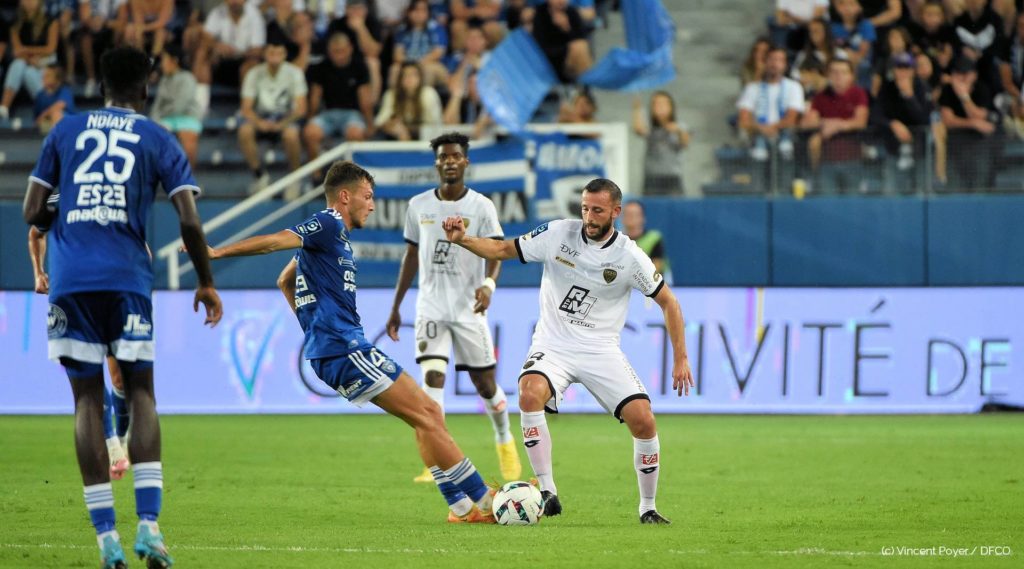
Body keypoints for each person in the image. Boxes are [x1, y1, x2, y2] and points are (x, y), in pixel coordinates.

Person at [197, 160, 501, 524]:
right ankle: (485, 501)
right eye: (367, 197)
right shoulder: (327, 222)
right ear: (345, 197)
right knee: (427, 413)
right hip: (344, 347)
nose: (371, 205)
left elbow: (284, 280)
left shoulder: (329, 241)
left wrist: (313, 330)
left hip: (334, 348)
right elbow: (277, 242)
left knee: (426, 416)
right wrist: (217, 254)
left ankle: (460, 506)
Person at [22, 46, 222, 568]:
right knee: (141, 390)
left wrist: (75, 207)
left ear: (100, 83)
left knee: (87, 401)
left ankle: (105, 538)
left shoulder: (64, 131)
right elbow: (189, 220)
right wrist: (205, 280)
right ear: (147, 87)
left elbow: (30, 210)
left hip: (70, 278)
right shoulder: (159, 138)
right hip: (126, 277)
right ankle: (150, 529)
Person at [441, 178, 695, 524]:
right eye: (586, 208)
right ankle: (547, 492)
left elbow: (669, 302)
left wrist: (680, 357)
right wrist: (463, 240)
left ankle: (647, 507)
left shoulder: (630, 256)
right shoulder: (558, 234)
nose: (589, 217)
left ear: (616, 212)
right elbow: (503, 250)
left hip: (601, 349)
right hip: (553, 344)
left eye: (598, 210)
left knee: (644, 420)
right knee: (529, 393)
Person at [386, 132, 522, 484]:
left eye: (455, 156)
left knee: (485, 385)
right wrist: (397, 305)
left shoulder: (481, 206)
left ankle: (504, 439)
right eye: (443, 156)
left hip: (468, 309)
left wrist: (489, 284)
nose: (449, 161)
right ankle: (439, 461)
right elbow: (412, 255)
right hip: (430, 306)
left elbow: (498, 251)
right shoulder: (418, 206)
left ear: (465, 161)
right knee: (432, 379)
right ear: (436, 163)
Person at [28, 224, 132, 481]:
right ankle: (112, 446)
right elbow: (35, 232)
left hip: (113, 292)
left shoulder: (115, 190)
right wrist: (39, 272)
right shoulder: (59, 195)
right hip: (72, 294)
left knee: (120, 377)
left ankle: (122, 437)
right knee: (88, 374)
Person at [237, 39, 307, 195]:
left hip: (286, 115)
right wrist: (259, 122)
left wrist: (282, 124)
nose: (275, 57)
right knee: (244, 131)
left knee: (291, 135)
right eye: (271, 53)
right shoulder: (254, 74)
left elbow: (301, 109)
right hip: (261, 115)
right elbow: (246, 108)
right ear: (264, 54)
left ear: (285, 55)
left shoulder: (295, 73)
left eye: (278, 53)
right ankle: (259, 176)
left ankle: (295, 178)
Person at [304, 33, 373, 181]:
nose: (338, 55)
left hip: (352, 113)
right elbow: (315, 95)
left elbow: (364, 97)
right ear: (329, 52)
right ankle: (316, 176)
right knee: (310, 132)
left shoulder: (359, 66)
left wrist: (369, 124)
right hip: (328, 114)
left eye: (341, 50)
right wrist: (310, 118)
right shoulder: (321, 67)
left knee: (355, 133)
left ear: (349, 49)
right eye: (334, 51)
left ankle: (350, 177)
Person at [801, 58, 870, 194]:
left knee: (853, 204)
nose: (838, 76)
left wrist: (836, 126)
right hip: (827, 161)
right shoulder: (821, 96)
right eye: (834, 72)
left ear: (851, 76)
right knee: (827, 204)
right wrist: (827, 123)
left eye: (843, 72)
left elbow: (860, 121)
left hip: (852, 160)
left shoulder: (858, 94)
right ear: (828, 75)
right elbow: (807, 123)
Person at [939, 55, 1000, 190]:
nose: (962, 77)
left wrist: (964, 97)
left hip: (979, 146)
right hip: (955, 148)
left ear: (974, 75)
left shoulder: (982, 89)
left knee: (980, 188)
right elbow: (947, 120)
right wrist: (973, 124)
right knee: (955, 190)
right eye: (958, 73)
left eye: (965, 73)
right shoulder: (948, 90)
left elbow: (979, 115)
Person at [737, 47, 806, 161]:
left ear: (785, 65)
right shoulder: (752, 88)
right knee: (756, 147)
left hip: (785, 134)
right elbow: (743, 120)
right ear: (765, 62)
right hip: (758, 134)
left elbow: (791, 118)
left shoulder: (794, 87)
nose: (775, 64)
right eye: (772, 59)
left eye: (779, 60)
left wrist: (771, 128)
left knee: (786, 144)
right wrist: (761, 128)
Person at [0, 0, 59, 121]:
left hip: (47, 64)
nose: (29, 2)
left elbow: (50, 49)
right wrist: (30, 59)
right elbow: (17, 50)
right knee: (19, 66)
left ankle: (47, 108)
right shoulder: (15, 23)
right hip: (26, 63)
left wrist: (26, 50)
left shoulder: (51, 21)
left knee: (22, 66)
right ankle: (3, 108)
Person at [151, 44, 202, 166]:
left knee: (187, 137)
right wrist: (155, 121)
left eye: (164, 59)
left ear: (174, 61)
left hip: (187, 118)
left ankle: (189, 181)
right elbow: (157, 106)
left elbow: (180, 106)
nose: (162, 64)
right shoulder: (164, 80)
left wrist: (163, 117)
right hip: (166, 120)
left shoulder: (187, 78)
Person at [632, 91, 689, 196]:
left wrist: (678, 131)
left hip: (672, 177)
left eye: (664, 104)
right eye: (656, 104)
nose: (660, 107)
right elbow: (638, 129)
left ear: (671, 107)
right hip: (652, 177)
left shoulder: (680, 127)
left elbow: (685, 142)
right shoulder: (650, 129)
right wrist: (637, 108)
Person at [374, 61, 442, 141]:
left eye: (414, 75)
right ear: (400, 79)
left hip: (425, 138)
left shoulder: (429, 94)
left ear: (420, 78)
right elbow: (380, 122)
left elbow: (435, 124)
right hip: (397, 137)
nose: (409, 78)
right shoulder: (391, 95)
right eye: (405, 75)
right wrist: (394, 126)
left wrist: (408, 130)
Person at [621, 201, 670, 281]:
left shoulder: (654, 238)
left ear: (643, 218)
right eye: (627, 214)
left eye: (634, 214)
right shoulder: (617, 240)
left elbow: (656, 270)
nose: (630, 217)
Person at [33, 62, 74, 133]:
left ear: (57, 79)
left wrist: (43, 115)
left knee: (56, 114)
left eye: (48, 76)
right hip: (48, 124)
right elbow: (36, 118)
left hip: (69, 125)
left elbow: (60, 105)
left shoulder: (64, 90)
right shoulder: (40, 95)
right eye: (44, 75)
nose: (44, 78)